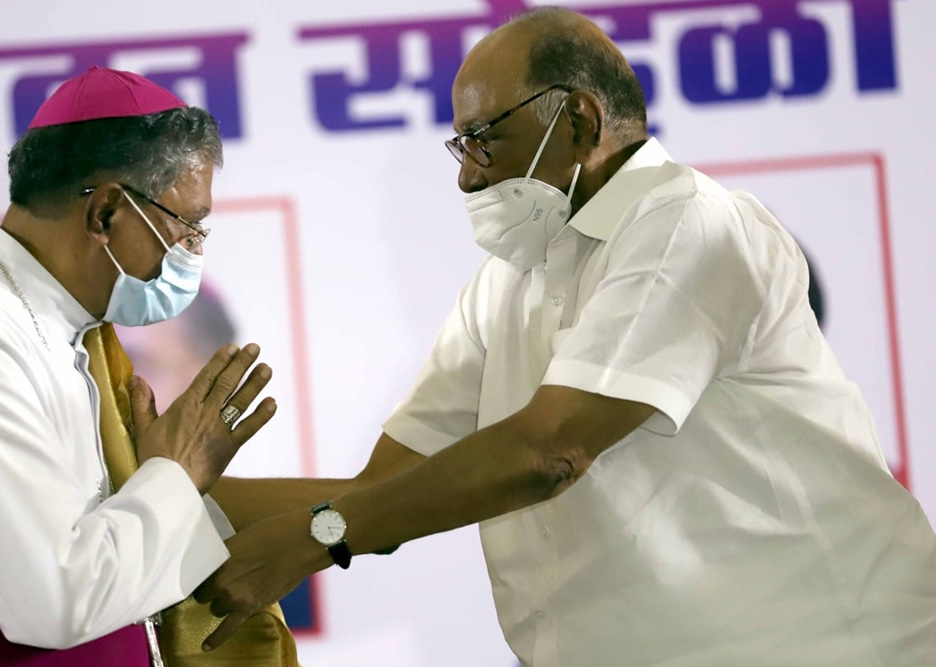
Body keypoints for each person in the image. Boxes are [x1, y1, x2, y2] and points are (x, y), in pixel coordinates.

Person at [196, 9, 936, 666]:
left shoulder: (689, 223)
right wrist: (171, 496)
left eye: (484, 139)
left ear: (579, 120)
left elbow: (548, 451)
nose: (467, 180)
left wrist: (320, 534)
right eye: (461, 148)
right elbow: (379, 495)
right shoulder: (508, 281)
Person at [0, 66, 288, 666]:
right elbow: (58, 600)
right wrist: (176, 470)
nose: (193, 251)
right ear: (103, 214)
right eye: (188, 227)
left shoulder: (57, 334)